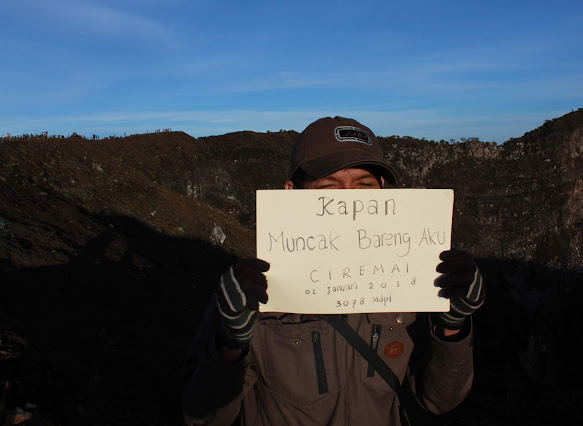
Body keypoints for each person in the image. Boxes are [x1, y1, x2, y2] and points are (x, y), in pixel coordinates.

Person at [182, 117, 485, 425]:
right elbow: (202, 417)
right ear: (292, 193)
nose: (349, 201)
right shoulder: (250, 295)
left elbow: (439, 400)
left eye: (364, 185)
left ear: (383, 190)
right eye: (328, 188)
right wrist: (231, 342)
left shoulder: (414, 282)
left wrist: (452, 325)